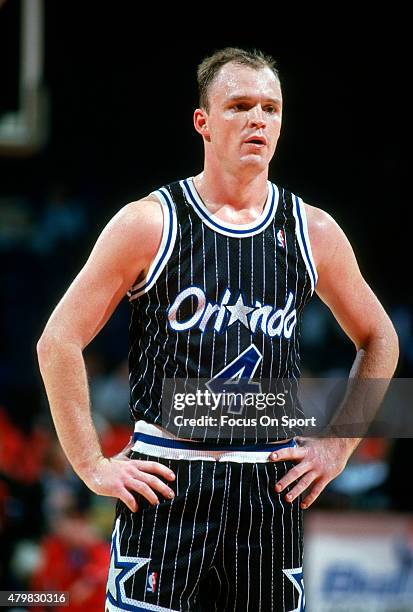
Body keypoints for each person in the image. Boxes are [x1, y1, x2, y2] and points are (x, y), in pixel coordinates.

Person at [37, 47, 399, 611]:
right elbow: (57, 340)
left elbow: (381, 340)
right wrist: (91, 465)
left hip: (269, 489)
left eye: (271, 108)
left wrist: (337, 447)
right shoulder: (149, 222)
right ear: (202, 122)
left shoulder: (313, 231)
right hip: (167, 482)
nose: (259, 119)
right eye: (240, 105)